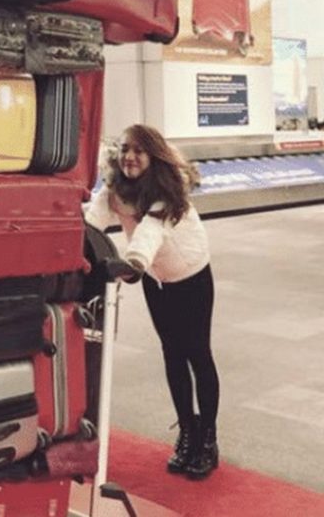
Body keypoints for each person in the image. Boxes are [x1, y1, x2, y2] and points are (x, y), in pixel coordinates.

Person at [83, 124, 220, 480]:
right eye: (125, 149)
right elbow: (92, 221)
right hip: (156, 280)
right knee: (171, 353)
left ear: (153, 156)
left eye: (139, 151)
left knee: (197, 353)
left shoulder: (167, 192)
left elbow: (149, 233)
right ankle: (187, 429)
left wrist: (134, 263)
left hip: (190, 275)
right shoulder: (116, 188)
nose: (129, 157)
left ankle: (207, 438)